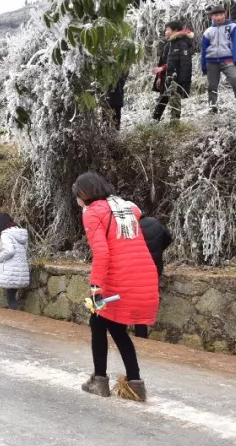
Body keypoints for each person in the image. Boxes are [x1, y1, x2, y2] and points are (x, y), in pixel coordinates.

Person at [73, 173, 158, 402]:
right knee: (116, 328)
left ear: (84, 194)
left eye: (77, 196)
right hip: (143, 274)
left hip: (118, 279)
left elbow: (101, 252)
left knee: (98, 322)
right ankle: (134, 384)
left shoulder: (93, 213)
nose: (77, 201)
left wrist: (95, 287)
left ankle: (100, 380)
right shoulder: (125, 208)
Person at [200, 5, 236, 112]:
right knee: (212, 86)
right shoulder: (208, 31)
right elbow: (204, 50)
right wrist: (203, 65)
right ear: (212, 17)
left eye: (220, 14)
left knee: (235, 79)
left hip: (228, 59)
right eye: (216, 15)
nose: (218, 17)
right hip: (211, 61)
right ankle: (213, 108)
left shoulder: (232, 27)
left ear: (225, 14)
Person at [136, 214, 173, 339]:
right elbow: (168, 238)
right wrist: (159, 250)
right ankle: (141, 334)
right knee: (145, 303)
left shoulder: (131, 226)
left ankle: (137, 335)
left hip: (136, 270)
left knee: (134, 303)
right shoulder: (155, 222)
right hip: (154, 268)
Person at [152, 20, 194, 122]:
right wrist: (159, 77)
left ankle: (174, 123)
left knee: (175, 102)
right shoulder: (168, 45)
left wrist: (183, 82)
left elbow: (185, 64)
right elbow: (162, 62)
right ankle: (154, 121)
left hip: (176, 79)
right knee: (162, 100)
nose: (165, 32)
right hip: (166, 79)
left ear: (175, 30)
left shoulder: (182, 44)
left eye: (167, 30)